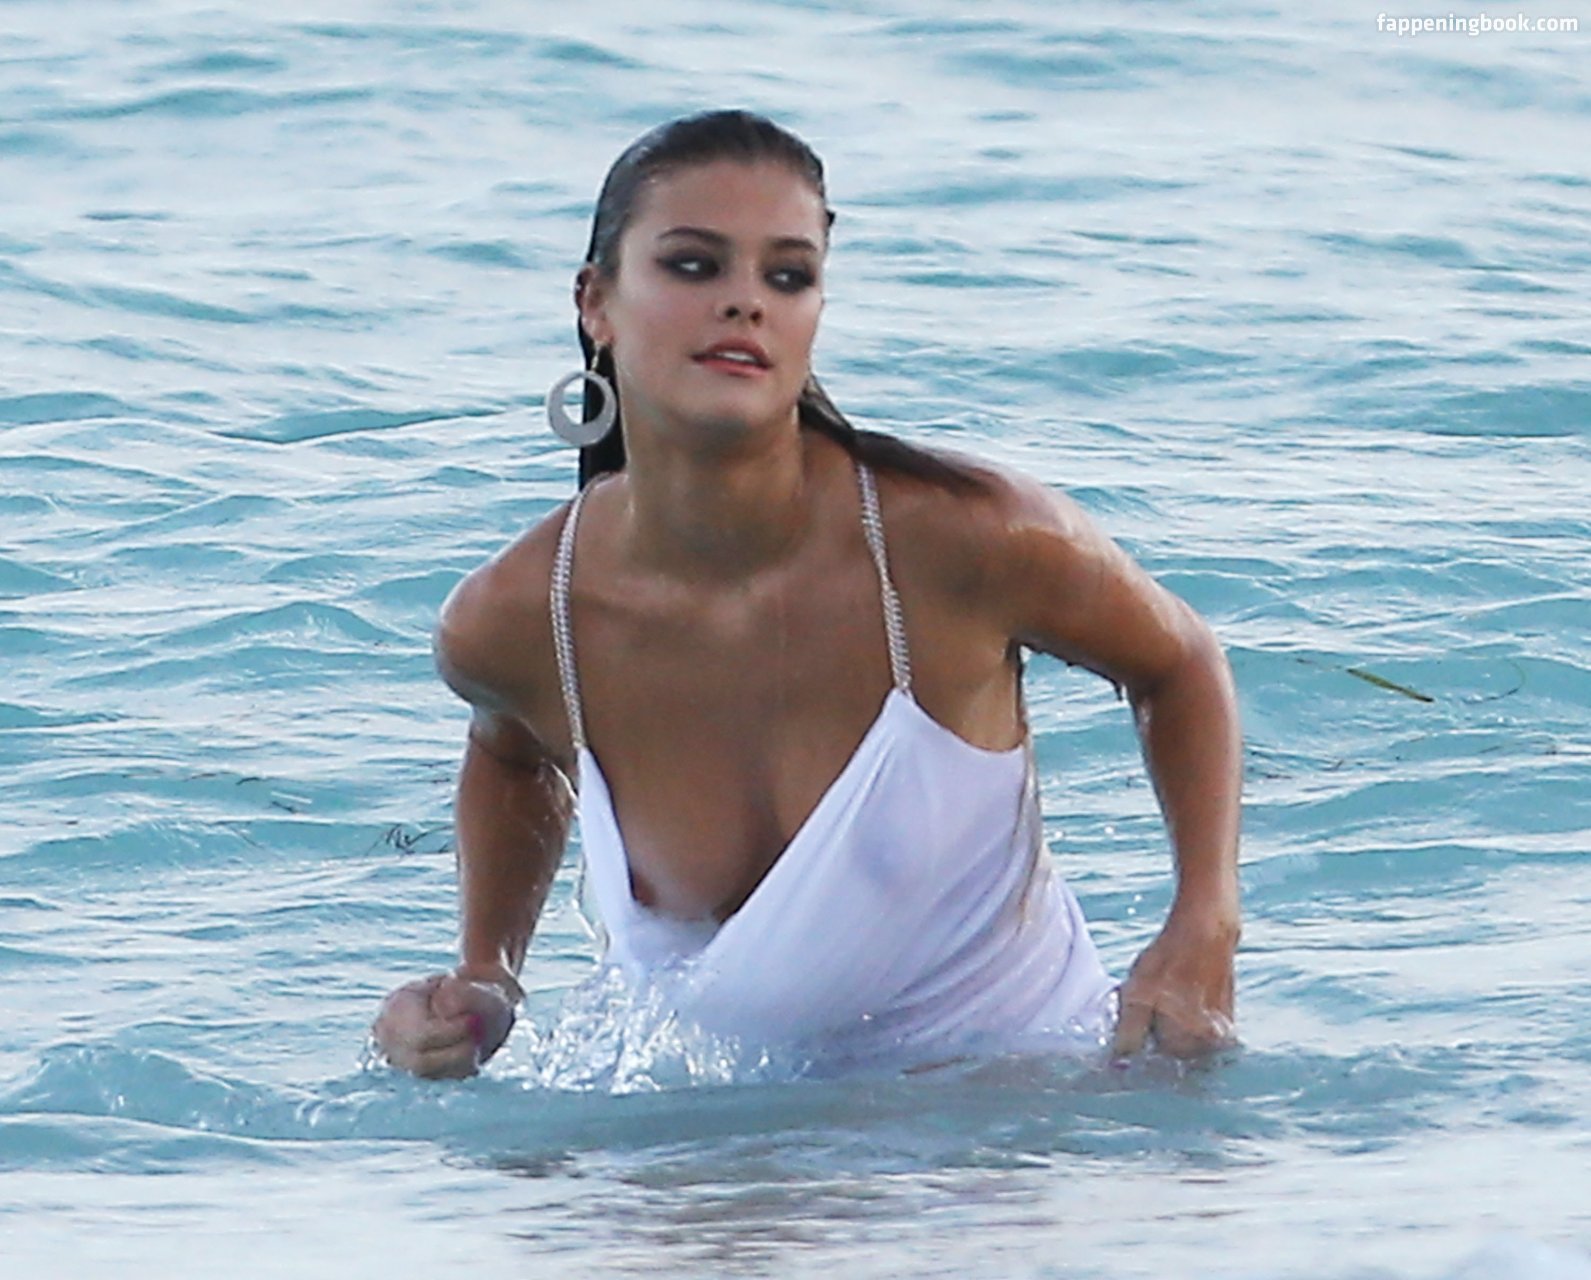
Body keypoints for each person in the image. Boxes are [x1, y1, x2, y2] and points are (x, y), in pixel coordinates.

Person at [372, 110, 1241, 1080]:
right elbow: (508, 751)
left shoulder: (959, 540)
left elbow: (1178, 662)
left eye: (786, 276)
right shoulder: (523, 616)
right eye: (694, 266)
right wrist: (486, 973)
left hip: (1023, 1125)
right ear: (595, 303)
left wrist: (1203, 920)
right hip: (712, 1152)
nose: (745, 302)